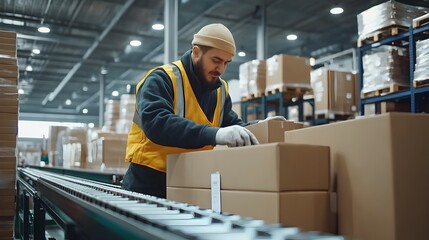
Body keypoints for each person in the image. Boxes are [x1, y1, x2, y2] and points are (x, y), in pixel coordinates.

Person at [122, 23, 283, 198]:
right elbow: (157, 123)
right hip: (148, 184)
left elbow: (232, 125)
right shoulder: (162, 79)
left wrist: (258, 126)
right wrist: (215, 135)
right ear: (196, 52)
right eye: (216, 60)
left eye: (226, 63)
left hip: (191, 181)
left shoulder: (220, 89)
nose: (221, 69)